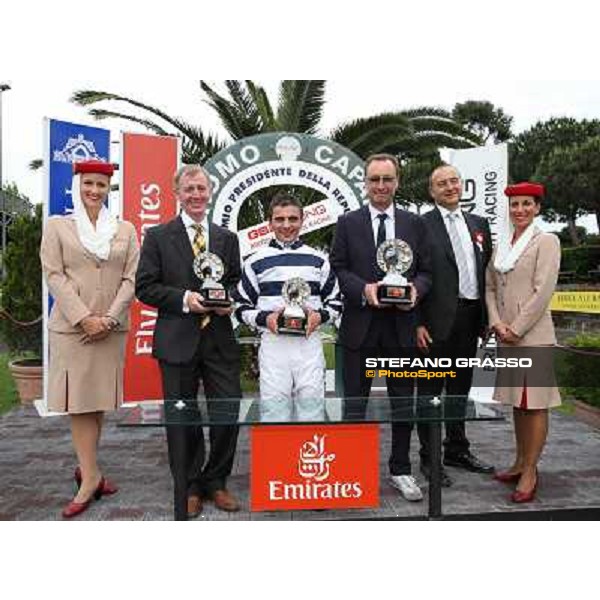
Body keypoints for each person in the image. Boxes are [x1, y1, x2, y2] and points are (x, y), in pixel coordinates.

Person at [135, 164, 242, 519]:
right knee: (184, 418)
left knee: (228, 410)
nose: (196, 195)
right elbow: (145, 287)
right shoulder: (158, 236)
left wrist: (227, 299)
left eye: (201, 188)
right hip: (177, 340)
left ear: (209, 192)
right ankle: (190, 486)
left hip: (219, 340)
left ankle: (217, 481)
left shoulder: (227, 238)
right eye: (189, 189)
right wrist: (185, 299)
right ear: (177, 193)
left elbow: (235, 282)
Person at [40, 159, 139, 518]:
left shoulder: (124, 229)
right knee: (80, 403)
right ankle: (91, 477)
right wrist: (84, 318)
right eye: (89, 184)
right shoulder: (57, 226)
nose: (95, 191)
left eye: (101, 185)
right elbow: (54, 274)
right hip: (73, 329)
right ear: (77, 185)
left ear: (109, 188)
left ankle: (89, 468)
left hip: (111, 330)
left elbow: (131, 278)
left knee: (95, 402)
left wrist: (110, 318)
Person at [330, 153, 432, 502]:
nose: (381, 186)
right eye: (374, 179)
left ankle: (401, 470)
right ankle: (350, 471)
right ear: (366, 182)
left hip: (402, 330)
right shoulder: (347, 222)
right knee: (354, 404)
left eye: (387, 179)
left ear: (397, 182)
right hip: (360, 328)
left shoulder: (415, 224)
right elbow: (339, 268)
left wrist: (415, 292)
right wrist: (364, 290)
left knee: (404, 403)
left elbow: (427, 271)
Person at [416, 165, 494, 486]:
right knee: (431, 391)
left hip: (470, 318)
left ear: (461, 185)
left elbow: (485, 274)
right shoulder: (421, 225)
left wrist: (486, 319)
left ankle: (457, 449)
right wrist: (416, 322)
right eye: (441, 184)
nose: (449, 187)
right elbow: (412, 275)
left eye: (453, 181)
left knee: (460, 389)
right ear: (432, 192)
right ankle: (430, 457)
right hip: (433, 323)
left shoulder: (479, 224)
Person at [233, 191, 342, 422]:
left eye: (293, 219)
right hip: (274, 345)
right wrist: (266, 319)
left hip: (309, 343)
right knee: (274, 411)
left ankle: (307, 458)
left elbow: (335, 303)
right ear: (270, 223)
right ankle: (277, 459)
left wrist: (319, 317)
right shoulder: (255, 261)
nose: (286, 225)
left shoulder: (319, 259)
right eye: (280, 219)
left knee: (312, 409)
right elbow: (241, 308)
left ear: (302, 221)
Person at [486, 182, 561, 503]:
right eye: (515, 205)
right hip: (506, 335)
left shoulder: (546, 241)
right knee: (519, 404)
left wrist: (515, 328)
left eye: (526, 204)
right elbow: (490, 287)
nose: (520, 210)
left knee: (535, 405)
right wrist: (496, 322)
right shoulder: (503, 244)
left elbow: (542, 292)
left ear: (537, 208)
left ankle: (531, 470)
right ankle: (519, 462)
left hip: (531, 336)